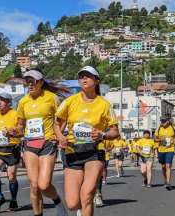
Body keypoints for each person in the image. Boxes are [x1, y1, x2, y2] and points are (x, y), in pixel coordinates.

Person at [54, 66, 119, 216]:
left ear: (96, 81)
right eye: (81, 76)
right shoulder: (70, 101)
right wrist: (60, 137)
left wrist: (102, 135)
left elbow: (115, 132)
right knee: (72, 203)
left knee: (87, 195)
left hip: (94, 152)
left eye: (88, 76)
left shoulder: (104, 104)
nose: (84, 79)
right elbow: (56, 124)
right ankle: (80, 210)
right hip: (72, 152)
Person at [16, 69, 68, 216]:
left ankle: (57, 200)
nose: (30, 84)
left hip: (47, 143)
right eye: (28, 81)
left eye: (34, 81)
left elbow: (63, 118)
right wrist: (14, 131)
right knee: (34, 186)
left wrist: (57, 135)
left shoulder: (51, 98)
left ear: (41, 82)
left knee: (43, 185)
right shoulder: (23, 101)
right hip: (30, 144)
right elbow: (20, 126)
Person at [0, 92, 21, 213]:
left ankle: (13, 199)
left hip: (12, 149)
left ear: (8, 103)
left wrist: (13, 132)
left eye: (2, 100)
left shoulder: (15, 114)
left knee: (11, 177)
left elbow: (21, 129)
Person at [154, 116, 175, 191]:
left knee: (168, 165)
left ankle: (168, 182)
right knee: (163, 166)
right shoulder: (159, 128)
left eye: (164, 121)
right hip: (161, 150)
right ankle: (165, 180)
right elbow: (155, 138)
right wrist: (160, 139)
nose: (162, 122)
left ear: (168, 121)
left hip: (170, 149)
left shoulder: (173, 128)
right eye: (161, 121)